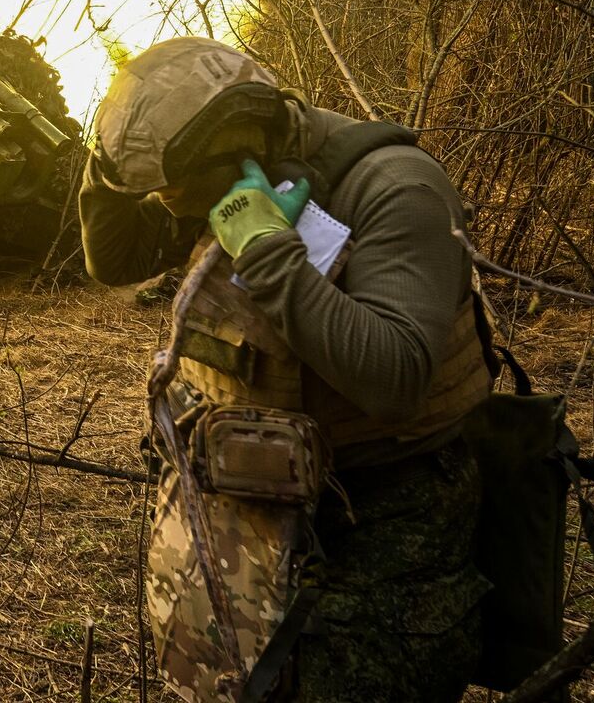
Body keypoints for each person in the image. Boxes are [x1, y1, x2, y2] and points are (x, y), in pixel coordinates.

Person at [80, 38, 490, 702]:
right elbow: (115, 258)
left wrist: (271, 254)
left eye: (174, 189)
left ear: (237, 140)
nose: (170, 205)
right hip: (253, 497)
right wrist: (103, 160)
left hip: (383, 515)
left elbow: (397, 379)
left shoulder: (396, 188)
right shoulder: (236, 176)